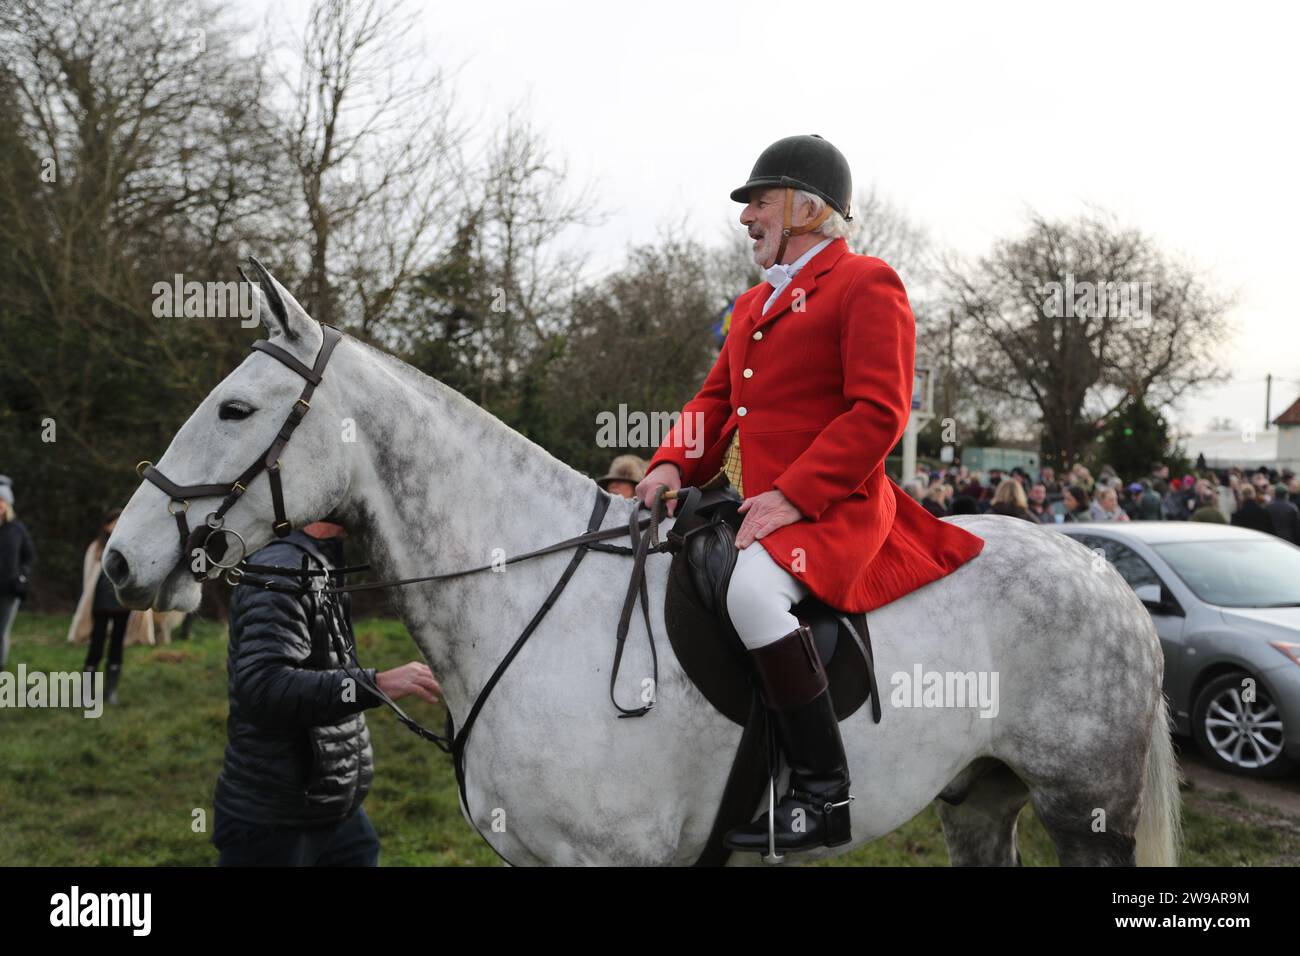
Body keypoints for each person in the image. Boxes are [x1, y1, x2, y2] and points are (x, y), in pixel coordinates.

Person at [635, 134, 984, 854]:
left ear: (805, 206)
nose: (745, 218)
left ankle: (825, 791)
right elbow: (716, 402)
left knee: (753, 596)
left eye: (758, 202)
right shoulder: (752, 304)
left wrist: (793, 496)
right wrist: (671, 464)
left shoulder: (867, 284)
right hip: (763, 503)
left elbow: (878, 413)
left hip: (836, 506)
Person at [213, 520, 442, 866]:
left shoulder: (317, 562)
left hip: (335, 811)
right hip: (276, 821)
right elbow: (264, 688)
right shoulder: (283, 570)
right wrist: (377, 684)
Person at [67, 508, 155, 700]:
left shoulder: (133, 546)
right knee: (96, 646)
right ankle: (86, 691)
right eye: (113, 522)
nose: (116, 526)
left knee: (117, 646)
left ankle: (110, 691)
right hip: (99, 605)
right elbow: (88, 578)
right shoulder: (96, 548)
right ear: (106, 526)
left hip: (122, 606)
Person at [0, 477, 36, 670]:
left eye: (1, 501)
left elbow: (29, 557)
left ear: (7, 504)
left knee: (1, 632)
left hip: (8, 590)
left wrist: (22, 576)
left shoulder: (17, 530)